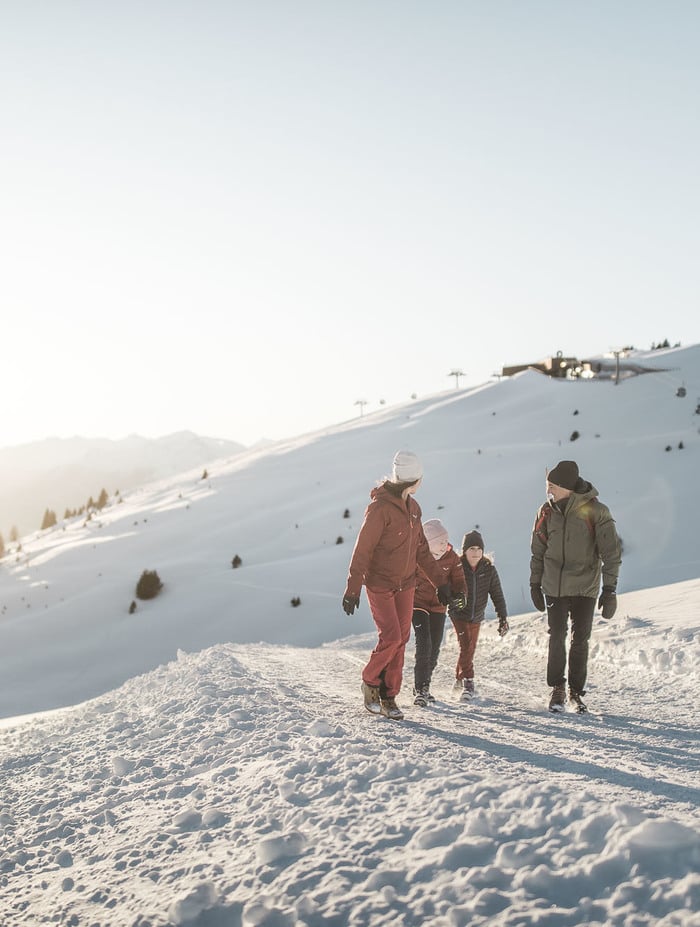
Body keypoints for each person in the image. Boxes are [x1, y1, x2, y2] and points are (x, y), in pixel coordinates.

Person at [342, 450, 453, 720]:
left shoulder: (414, 509)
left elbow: (422, 552)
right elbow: (362, 550)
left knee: (401, 639)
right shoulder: (380, 508)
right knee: (391, 637)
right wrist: (353, 587)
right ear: (413, 480)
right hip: (380, 583)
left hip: (406, 584)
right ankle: (370, 680)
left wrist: (440, 582)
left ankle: (389, 695)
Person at [529, 460, 622, 713]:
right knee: (556, 636)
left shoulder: (597, 511)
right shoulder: (546, 512)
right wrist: (535, 584)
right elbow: (538, 552)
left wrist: (610, 589)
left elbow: (611, 553)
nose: (549, 492)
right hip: (554, 587)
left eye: (552, 486)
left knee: (580, 639)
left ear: (566, 487)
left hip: (585, 586)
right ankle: (557, 688)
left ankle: (575, 692)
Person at [411, 518, 467, 707]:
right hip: (417, 604)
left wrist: (460, 595)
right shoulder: (417, 556)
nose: (445, 544)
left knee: (434, 646)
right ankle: (421, 688)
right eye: (440, 541)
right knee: (424, 642)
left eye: (446, 540)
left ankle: (426, 684)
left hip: (438, 607)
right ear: (430, 542)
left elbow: (459, 580)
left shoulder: (452, 558)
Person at [448, 530, 509, 702]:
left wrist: (502, 617)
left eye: (478, 548)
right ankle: (469, 683)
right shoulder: (457, 567)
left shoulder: (488, 569)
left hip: (477, 616)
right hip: (459, 615)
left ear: (482, 551)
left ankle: (459, 679)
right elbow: (446, 590)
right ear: (464, 551)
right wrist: (452, 602)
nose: (475, 552)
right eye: (471, 548)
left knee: (469, 649)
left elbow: (497, 594)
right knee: (466, 645)